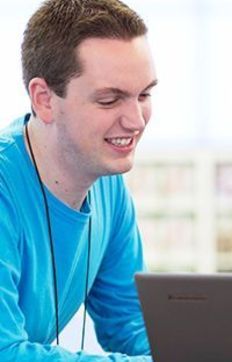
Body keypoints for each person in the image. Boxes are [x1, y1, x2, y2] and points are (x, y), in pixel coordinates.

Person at [0, 0, 157, 360]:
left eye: (144, 94)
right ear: (44, 100)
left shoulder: (107, 185)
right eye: (109, 100)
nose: (136, 121)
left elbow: (129, 322)